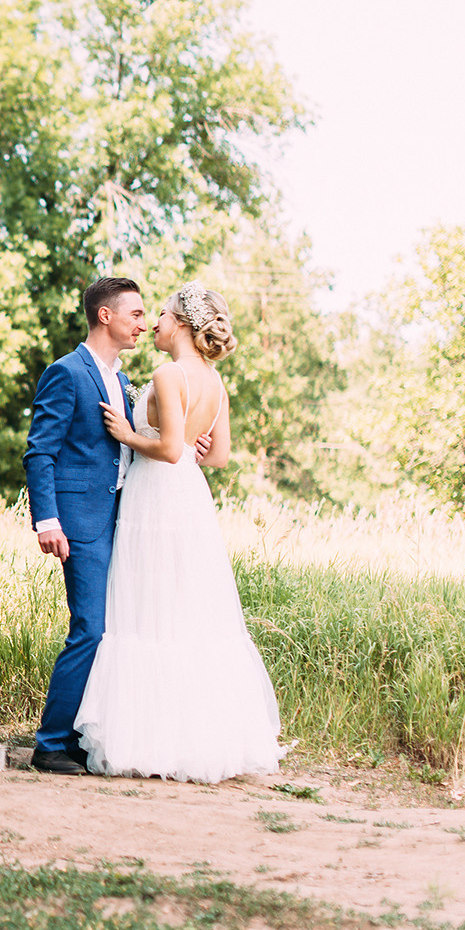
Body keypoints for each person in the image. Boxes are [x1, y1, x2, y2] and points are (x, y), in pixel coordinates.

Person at [72, 281, 287, 783]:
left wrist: (128, 435)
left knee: (149, 609)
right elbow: (218, 456)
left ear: (184, 325)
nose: (155, 323)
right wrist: (193, 444)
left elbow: (168, 449)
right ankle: (197, 739)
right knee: (184, 611)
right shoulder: (214, 382)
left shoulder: (169, 373)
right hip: (190, 497)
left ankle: (148, 739)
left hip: (156, 496)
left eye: (164, 315)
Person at [21, 277, 148, 777]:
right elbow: (40, 452)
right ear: (105, 315)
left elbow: (126, 446)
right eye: (135, 314)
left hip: (123, 518)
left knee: (113, 631)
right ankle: (50, 744)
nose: (142, 324)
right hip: (81, 522)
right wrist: (47, 520)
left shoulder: (121, 379)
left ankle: (80, 738)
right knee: (90, 629)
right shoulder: (67, 372)